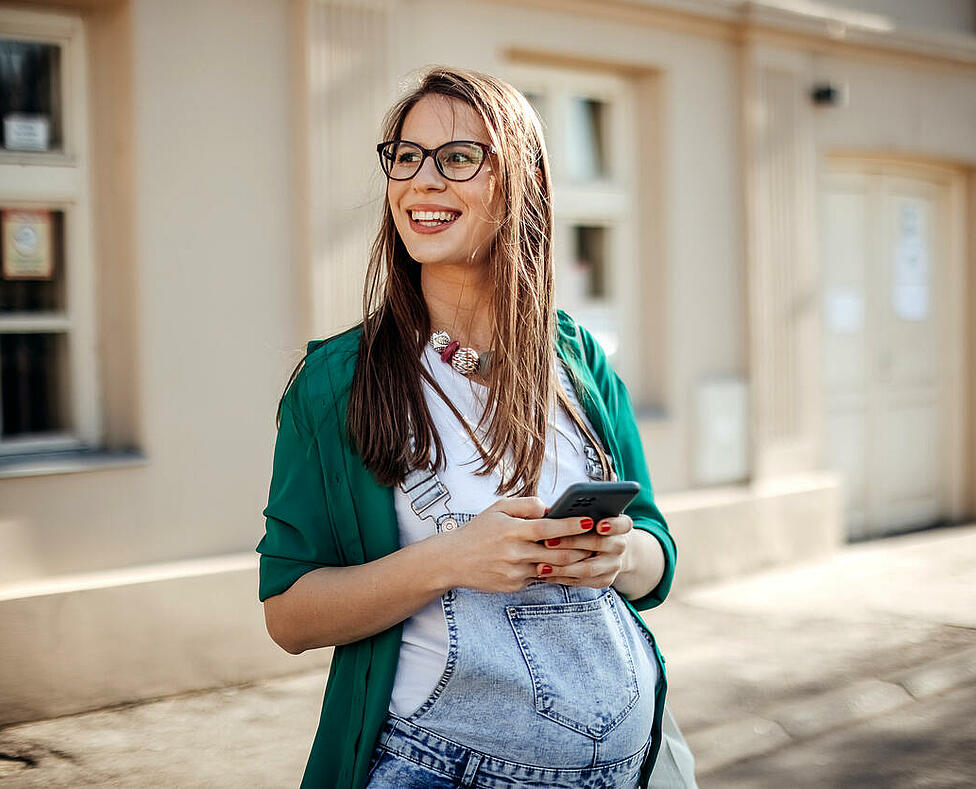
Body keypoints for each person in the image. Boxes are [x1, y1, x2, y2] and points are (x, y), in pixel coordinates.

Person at [258, 66, 679, 789]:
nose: (422, 180)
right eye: (406, 156)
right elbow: (289, 613)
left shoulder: (575, 360)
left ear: (524, 184)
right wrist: (453, 559)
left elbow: (657, 551)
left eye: (457, 158)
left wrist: (618, 559)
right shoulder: (336, 385)